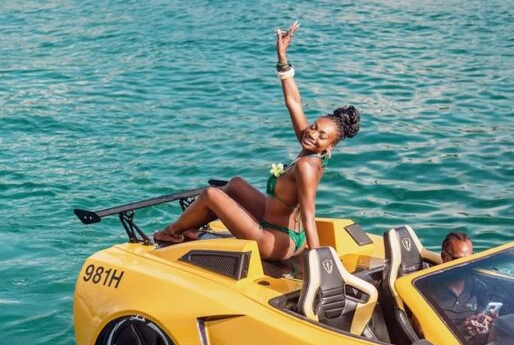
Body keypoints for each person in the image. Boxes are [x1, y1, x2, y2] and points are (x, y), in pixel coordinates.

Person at [153, 22, 361, 261]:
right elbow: (293, 102)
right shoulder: (312, 150)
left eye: (321, 135)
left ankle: (171, 234)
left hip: (275, 243)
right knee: (235, 184)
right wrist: (282, 56)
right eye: (314, 126)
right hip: (283, 230)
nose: (312, 133)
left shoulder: (306, 166)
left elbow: (308, 212)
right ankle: (190, 227)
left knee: (211, 194)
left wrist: (320, 261)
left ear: (330, 146)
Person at [435, 232, 495, 344]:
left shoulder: (478, 287)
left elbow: (484, 324)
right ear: (444, 257)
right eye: (458, 260)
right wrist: (462, 330)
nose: (465, 265)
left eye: (469, 259)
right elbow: (423, 334)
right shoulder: (427, 290)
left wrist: (489, 321)